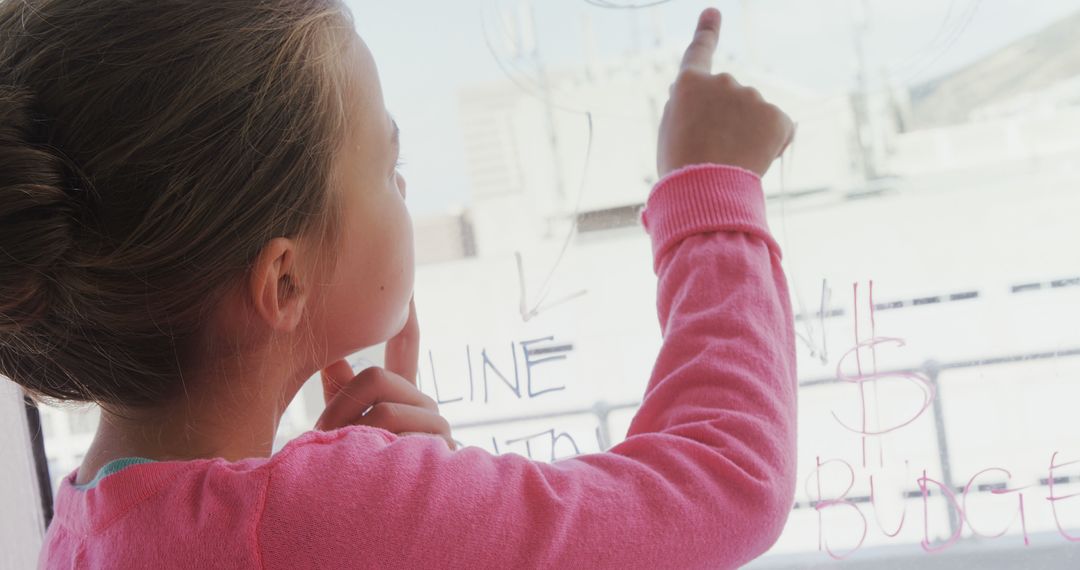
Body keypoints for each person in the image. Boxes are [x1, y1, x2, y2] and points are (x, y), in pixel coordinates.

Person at [0, 1, 796, 567]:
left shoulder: (81, 533)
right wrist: (710, 186)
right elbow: (726, 479)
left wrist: (404, 523)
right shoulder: (314, 521)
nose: (407, 192)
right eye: (390, 165)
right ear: (284, 278)